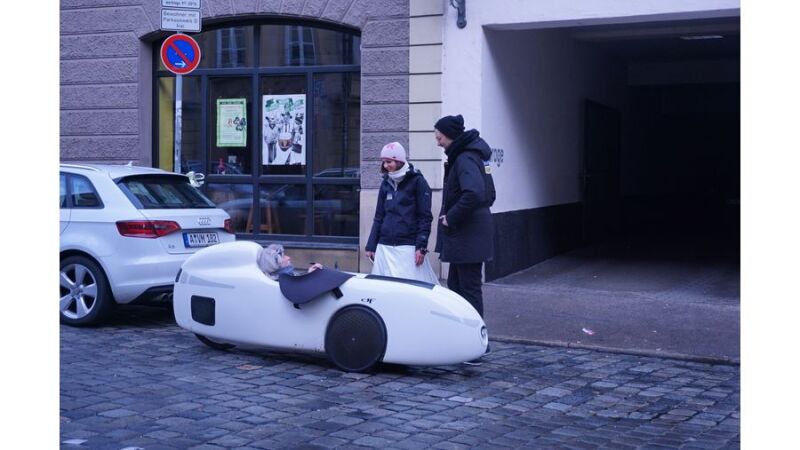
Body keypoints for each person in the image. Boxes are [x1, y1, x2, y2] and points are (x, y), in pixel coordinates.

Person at [434, 114, 495, 319]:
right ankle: (463, 335)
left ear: (450, 136)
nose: (438, 141)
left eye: (439, 137)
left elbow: (474, 192)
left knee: (468, 289)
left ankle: (477, 336)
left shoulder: (464, 159)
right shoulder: (466, 156)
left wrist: (451, 217)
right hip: (466, 236)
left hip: (468, 235)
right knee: (456, 287)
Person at [365, 142, 438, 284]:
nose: (385, 166)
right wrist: (371, 245)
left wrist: (421, 247)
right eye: (384, 162)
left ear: (399, 161)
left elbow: (425, 217)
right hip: (384, 248)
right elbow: (379, 216)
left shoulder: (418, 181)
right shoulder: (386, 183)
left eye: (389, 162)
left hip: (408, 247)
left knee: (411, 291)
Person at [258, 243, 322, 280]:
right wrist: (309, 274)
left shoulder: (285, 278)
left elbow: (296, 279)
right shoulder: (284, 280)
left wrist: (309, 272)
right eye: (283, 257)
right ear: (274, 265)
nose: (288, 258)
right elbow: (298, 283)